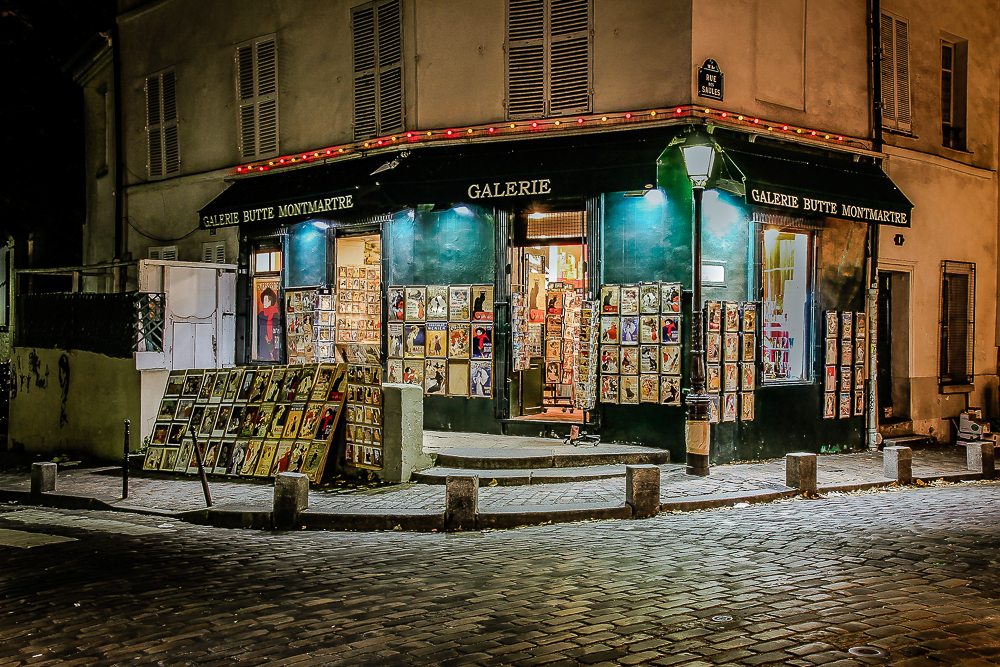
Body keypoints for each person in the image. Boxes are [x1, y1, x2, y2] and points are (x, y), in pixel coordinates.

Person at [257, 287, 282, 361]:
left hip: (274, 344)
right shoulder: (260, 315)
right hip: (262, 346)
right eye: (263, 300)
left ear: (270, 301)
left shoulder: (276, 314)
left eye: (266, 300)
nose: (264, 302)